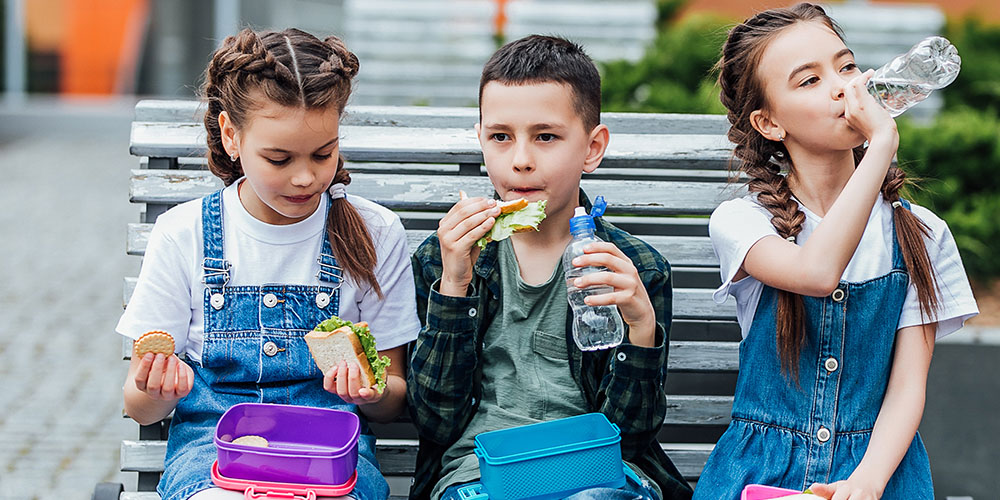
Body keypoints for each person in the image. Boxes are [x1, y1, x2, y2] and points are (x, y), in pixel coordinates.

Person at [117, 28, 420, 500]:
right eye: (278, 158)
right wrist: (158, 390)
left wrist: (372, 391)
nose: (305, 177)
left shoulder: (375, 233)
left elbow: (392, 398)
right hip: (213, 456)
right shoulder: (185, 233)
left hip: (330, 458)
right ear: (231, 136)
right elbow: (139, 408)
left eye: (323, 154)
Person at [693, 4, 980, 499]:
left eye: (846, 67)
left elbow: (908, 388)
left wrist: (865, 484)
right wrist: (882, 142)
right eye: (809, 81)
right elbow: (817, 271)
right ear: (768, 123)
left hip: (880, 470)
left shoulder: (922, 234)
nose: (844, 88)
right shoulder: (743, 222)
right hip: (761, 473)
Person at [406, 35, 693, 500]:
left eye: (546, 136)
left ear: (592, 147)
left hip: (597, 474)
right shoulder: (444, 258)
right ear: (480, 140)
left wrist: (641, 328)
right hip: (478, 475)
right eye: (501, 137)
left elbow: (632, 437)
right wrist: (454, 286)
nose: (520, 161)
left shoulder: (635, 269)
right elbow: (436, 420)